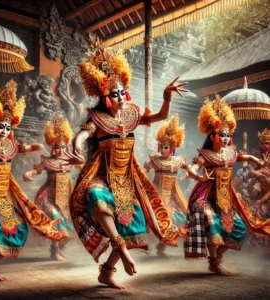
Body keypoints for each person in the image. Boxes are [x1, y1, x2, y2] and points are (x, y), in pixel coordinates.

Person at [65, 45, 188, 289]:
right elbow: (81, 135)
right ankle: (121, 250)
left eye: (123, 92)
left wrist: (167, 95)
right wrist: (78, 145)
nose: (121, 97)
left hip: (127, 180)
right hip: (101, 175)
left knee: (134, 227)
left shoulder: (132, 115)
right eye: (115, 94)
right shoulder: (97, 119)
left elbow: (160, 117)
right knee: (96, 196)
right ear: (104, 97)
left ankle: (107, 271)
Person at [0, 81, 63, 284]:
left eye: (8, 127)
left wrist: (45, 150)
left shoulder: (11, 146)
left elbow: (33, 146)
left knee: (19, 228)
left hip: (4, 198)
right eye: (1, 126)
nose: (4, 131)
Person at [182, 96, 270, 275]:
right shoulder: (205, 155)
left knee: (239, 229)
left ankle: (215, 258)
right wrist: (197, 176)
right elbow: (192, 168)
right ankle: (214, 262)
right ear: (213, 136)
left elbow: (242, 157)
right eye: (222, 134)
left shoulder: (230, 153)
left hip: (225, 202)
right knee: (212, 225)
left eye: (228, 135)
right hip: (206, 199)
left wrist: (256, 161)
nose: (226, 138)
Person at [24, 114, 83, 260]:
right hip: (48, 199)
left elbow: (83, 166)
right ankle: (55, 252)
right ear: (52, 147)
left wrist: (79, 158)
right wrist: (28, 173)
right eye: (57, 147)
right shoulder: (47, 161)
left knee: (71, 232)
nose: (61, 150)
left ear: (67, 146)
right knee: (57, 224)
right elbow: (36, 170)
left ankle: (58, 249)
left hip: (66, 200)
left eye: (63, 147)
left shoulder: (70, 160)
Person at [144, 114, 188, 257]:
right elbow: (145, 170)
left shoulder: (178, 161)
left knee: (172, 218)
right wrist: (143, 171)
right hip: (156, 193)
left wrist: (190, 173)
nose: (163, 149)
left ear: (172, 148)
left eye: (166, 147)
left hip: (172, 194)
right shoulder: (155, 160)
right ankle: (148, 244)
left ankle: (161, 248)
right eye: (161, 146)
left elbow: (188, 168)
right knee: (155, 217)